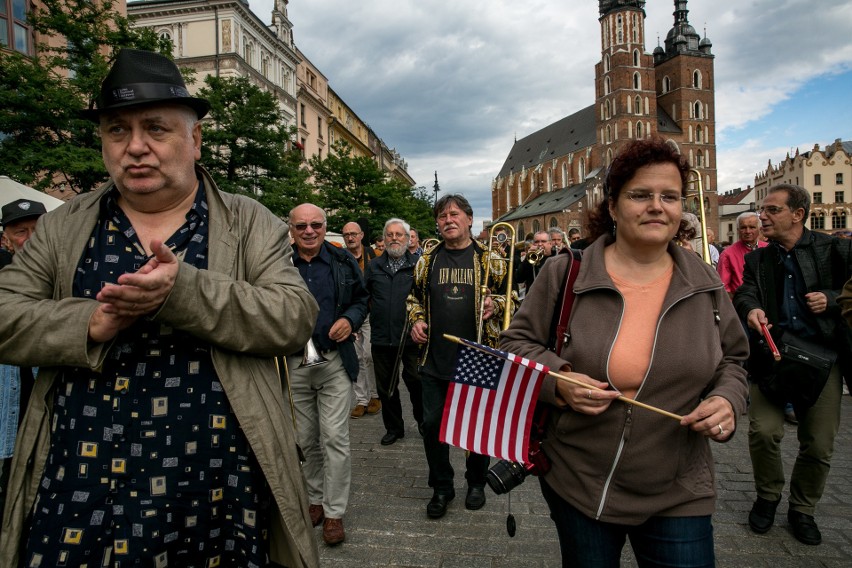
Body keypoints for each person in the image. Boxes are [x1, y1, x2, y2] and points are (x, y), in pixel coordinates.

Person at [0, 49, 321, 567]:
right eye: (116, 131)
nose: (136, 147)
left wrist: (183, 293)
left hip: (215, 491)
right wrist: (90, 321)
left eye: (155, 128)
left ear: (195, 139)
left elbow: (292, 316)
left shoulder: (248, 221)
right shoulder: (63, 225)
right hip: (81, 486)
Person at [500, 138, 749, 567]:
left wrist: (728, 399)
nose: (657, 206)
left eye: (669, 196)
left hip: (679, 486)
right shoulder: (566, 272)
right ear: (612, 206)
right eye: (640, 195)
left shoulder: (705, 282)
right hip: (581, 482)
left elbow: (734, 361)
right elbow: (514, 346)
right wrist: (558, 380)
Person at [733, 183, 852, 546]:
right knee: (763, 431)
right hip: (773, 359)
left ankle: (803, 509)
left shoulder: (836, 249)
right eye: (761, 210)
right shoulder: (758, 259)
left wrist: (832, 299)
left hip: (823, 361)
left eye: (771, 210)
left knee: (817, 443)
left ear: (798, 215)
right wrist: (751, 307)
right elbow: (745, 291)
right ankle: (768, 497)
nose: (762, 217)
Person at [407, 194, 514, 519]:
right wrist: (416, 320)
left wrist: (496, 305)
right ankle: (442, 487)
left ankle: (476, 483)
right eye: (442, 216)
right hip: (434, 360)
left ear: (469, 219)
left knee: (477, 428)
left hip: (477, 359)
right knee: (432, 425)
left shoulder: (491, 259)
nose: (448, 220)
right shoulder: (428, 259)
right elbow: (413, 297)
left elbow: (515, 301)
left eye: (454, 214)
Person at [287, 204, 369, 546]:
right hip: (292, 363)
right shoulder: (277, 261)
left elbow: (363, 299)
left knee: (334, 438)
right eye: (302, 225)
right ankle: (315, 500)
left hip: (334, 361)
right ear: (290, 229)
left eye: (316, 224)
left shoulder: (341, 259)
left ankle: (334, 512)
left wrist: (349, 319)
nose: (309, 230)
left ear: (325, 227)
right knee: (305, 441)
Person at [0, 198, 46, 530]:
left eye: (37, 230)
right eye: (21, 232)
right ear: (6, 239)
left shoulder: (63, 282)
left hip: (46, 417)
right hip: (6, 417)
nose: (30, 238)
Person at [365, 218, 423, 445]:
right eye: (389, 234)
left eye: (399, 234)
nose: (394, 238)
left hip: (411, 338)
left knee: (417, 382)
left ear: (408, 239)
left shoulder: (418, 265)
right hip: (381, 338)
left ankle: (423, 422)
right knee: (386, 388)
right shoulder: (373, 266)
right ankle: (394, 428)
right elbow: (364, 297)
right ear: (384, 239)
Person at [341, 221, 381, 419]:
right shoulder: (340, 258)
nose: (350, 237)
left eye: (353, 234)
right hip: (351, 315)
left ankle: (375, 395)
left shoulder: (374, 256)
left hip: (371, 313)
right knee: (356, 358)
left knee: (369, 355)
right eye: (346, 234)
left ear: (362, 235)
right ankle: (361, 400)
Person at [717, 211, 767, 298]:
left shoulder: (768, 249)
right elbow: (723, 288)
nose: (747, 231)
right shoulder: (727, 254)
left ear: (759, 229)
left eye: (752, 227)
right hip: (741, 305)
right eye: (743, 227)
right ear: (738, 230)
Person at [517, 230, 552, 294]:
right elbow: (519, 278)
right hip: (533, 297)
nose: (540, 244)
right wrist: (527, 259)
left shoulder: (556, 257)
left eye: (543, 241)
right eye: (537, 242)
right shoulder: (530, 257)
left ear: (550, 243)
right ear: (533, 244)